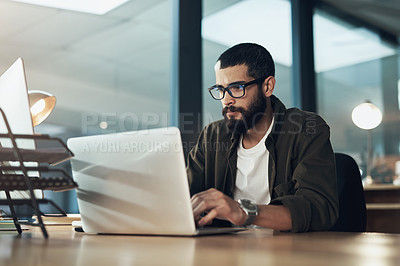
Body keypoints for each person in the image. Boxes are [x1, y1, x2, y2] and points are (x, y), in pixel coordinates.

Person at [187, 43, 338, 233]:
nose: (226, 100)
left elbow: (318, 208)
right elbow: (183, 196)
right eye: (220, 90)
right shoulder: (212, 136)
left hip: (287, 252)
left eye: (236, 88)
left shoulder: (306, 129)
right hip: (224, 251)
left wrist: (244, 212)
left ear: (267, 86)